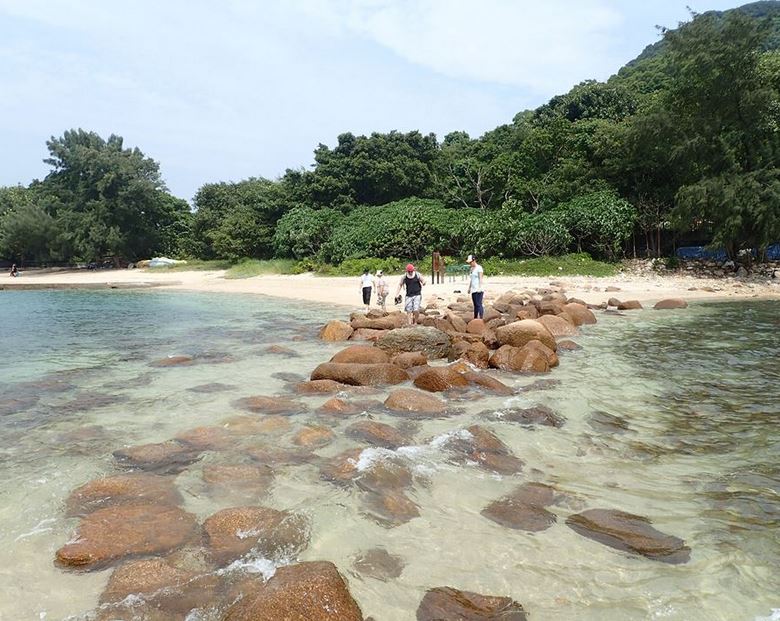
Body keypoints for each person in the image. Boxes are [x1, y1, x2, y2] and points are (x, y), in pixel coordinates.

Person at [466, 254, 484, 319]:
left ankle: (481, 318)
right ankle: (475, 318)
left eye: (470, 262)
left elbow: (480, 278)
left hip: (479, 289)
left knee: (479, 304)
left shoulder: (479, 268)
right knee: (475, 305)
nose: (470, 263)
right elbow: (472, 279)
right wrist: (469, 288)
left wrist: (480, 287)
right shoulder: (471, 269)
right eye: (469, 262)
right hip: (473, 290)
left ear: (474, 260)